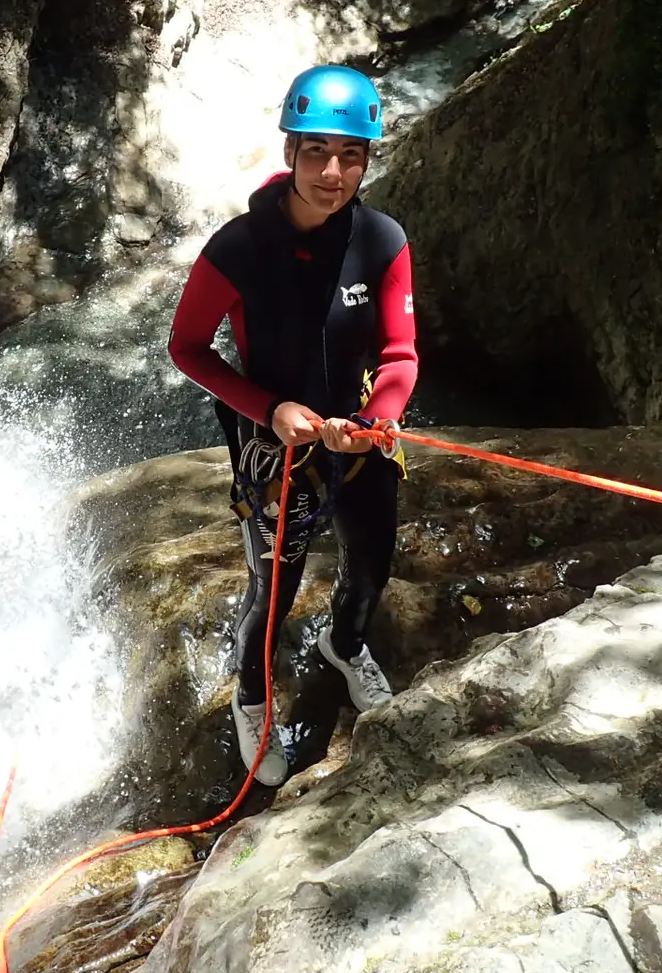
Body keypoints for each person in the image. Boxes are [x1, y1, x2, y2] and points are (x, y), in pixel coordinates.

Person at [168, 64, 418, 786]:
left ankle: (345, 644)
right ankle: (253, 698)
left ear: (368, 159)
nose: (333, 172)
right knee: (272, 591)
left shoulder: (383, 240)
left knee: (372, 564)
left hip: (362, 432)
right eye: (316, 152)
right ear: (289, 153)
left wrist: (380, 419)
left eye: (351, 155)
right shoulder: (239, 248)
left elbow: (400, 354)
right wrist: (268, 410)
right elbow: (187, 348)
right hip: (274, 440)